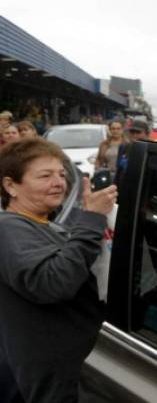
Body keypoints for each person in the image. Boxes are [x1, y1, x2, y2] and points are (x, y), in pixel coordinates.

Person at [0, 137, 118, 402]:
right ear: (11, 186)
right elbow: (53, 283)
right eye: (45, 176)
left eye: (62, 174)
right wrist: (93, 220)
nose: (59, 183)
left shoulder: (46, 225)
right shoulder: (8, 229)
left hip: (77, 369)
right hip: (52, 381)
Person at [113, 119, 149, 187]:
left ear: (146, 134)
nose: (134, 135)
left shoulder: (151, 151)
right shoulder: (123, 148)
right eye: (132, 132)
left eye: (138, 132)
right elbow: (118, 172)